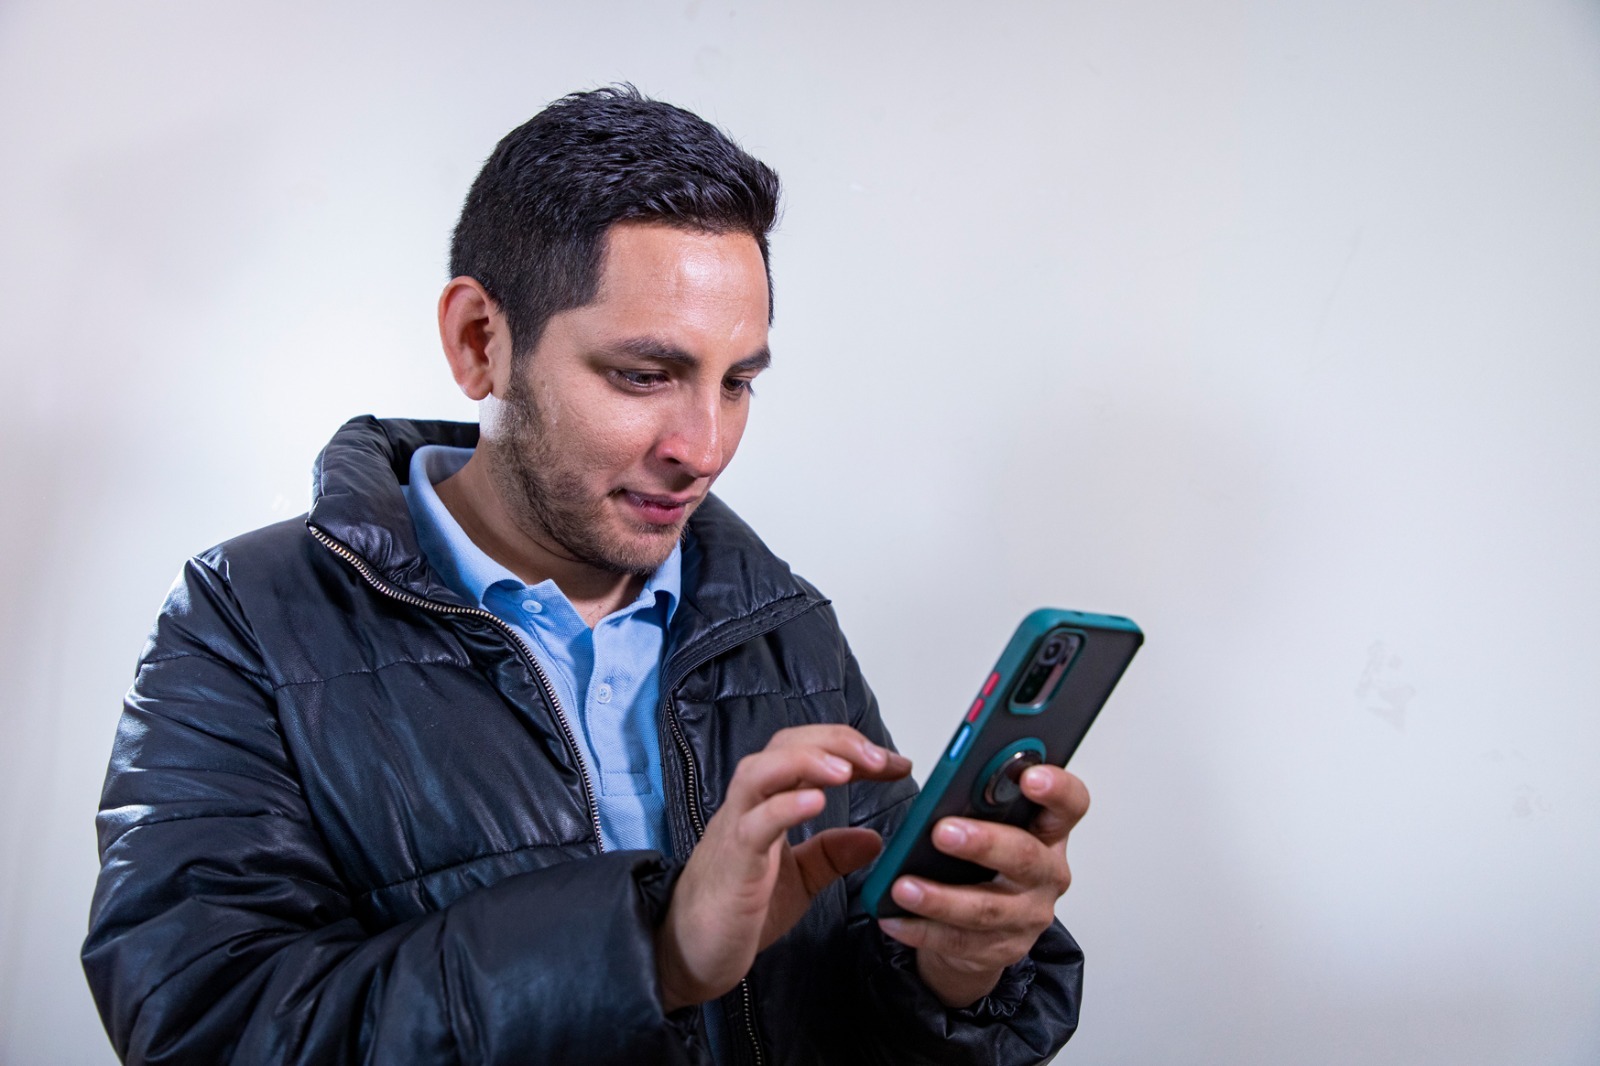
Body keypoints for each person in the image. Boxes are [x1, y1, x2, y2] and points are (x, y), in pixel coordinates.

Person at [83, 86, 1090, 1065]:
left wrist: (952, 972)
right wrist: (654, 954)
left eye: (737, 382)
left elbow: (850, 1016)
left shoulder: (780, 623)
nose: (703, 448)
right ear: (480, 342)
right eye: (644, 375)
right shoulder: (245, 621)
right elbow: (208, 1027)